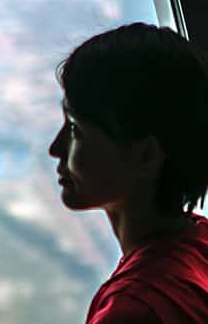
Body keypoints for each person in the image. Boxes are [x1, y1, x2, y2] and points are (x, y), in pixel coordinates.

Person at [48, 22, 208, 323]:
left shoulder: (133, 311)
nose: (55, 148)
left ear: (146, 156)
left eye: (75, 130)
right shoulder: (198, 244)